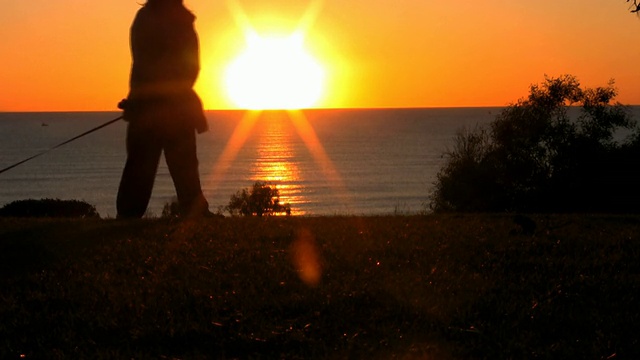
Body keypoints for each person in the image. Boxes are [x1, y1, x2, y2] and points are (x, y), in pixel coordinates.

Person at [117, 0, 210, 218]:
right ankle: (129, 216)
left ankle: (128, 216)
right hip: (165, 108)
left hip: (159, 107)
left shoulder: (152, 19)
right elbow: (187, 67)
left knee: (157, 167)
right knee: (152, 167)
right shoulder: (167, 20)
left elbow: (186, 67)